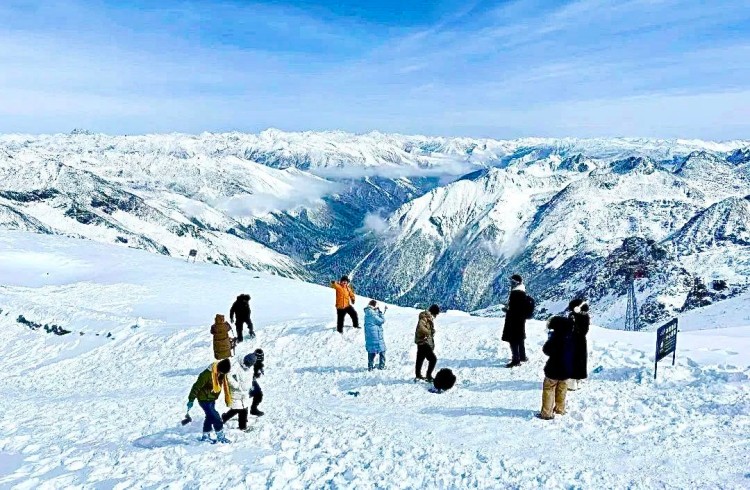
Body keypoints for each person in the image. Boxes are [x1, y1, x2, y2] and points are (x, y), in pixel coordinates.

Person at [538, 315, 575, 420]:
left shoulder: (555, 338)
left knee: (549, 389)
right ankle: (560, 409)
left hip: (553, 369)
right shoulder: (572, 337)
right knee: (562, 389)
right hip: (566, 369)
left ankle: (546, 413)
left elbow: (546, 350)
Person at [187, 358, 232, 443]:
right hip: (204, 399)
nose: (222, 374)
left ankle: (205, 435)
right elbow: (196, 387)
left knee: (209, 417)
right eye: (222, 372)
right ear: (219, 368)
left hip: (211, 399)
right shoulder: (206, 374)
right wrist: (191, 399)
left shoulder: (221, 374)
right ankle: (220, 436)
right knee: (216, 418)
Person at [222, 349, 265, 430]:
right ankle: (241, 426)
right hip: (236, 392)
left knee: (243, 408)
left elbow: (249, 376)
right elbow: (228, 376)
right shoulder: (236, 366)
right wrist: (237, 386)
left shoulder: (250, 366)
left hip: (245, 392)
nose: (248, 366)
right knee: (239, 409)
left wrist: (250, 385)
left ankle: (230, 420)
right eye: (248, 364)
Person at [501, 274, 530, 368]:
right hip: (520, 319)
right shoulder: (522, 292)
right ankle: (522, 356)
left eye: (512, 282)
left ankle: (516, 360)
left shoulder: (516, 293)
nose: (511, 284)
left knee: (513, 339)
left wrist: (507, 310)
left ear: (516, 283)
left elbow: (515, 309)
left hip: (514, 320)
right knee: (520, 338)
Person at [568, 299, 590, 391]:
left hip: (573, 340)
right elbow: (585, 330)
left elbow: (569, 328)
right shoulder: (586, 316)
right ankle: (579, 380)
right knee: (581, 360)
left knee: (573, 359)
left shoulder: (572, 316)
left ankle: (572, 382)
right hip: (582, 341)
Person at [415, 304, 440, 382]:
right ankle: (428, 376)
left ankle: (418, 375)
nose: (435, 316)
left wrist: (431, 331)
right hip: (423, 341)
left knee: (420, 358)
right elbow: (421, 327)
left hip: (421, 341)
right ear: (433, 312)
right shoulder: (425, 318)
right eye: (436, 314)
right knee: (433, 359)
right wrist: (429, 332)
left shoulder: (427, 317)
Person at [364, 300, 387, 371]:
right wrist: (381, 313)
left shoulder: (367, 313)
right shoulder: (373, 315)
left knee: (371, 351)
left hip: (369, 337)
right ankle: (381, 366)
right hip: (376, 336)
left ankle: (370, 367)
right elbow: (382, 321)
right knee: (382, 351)